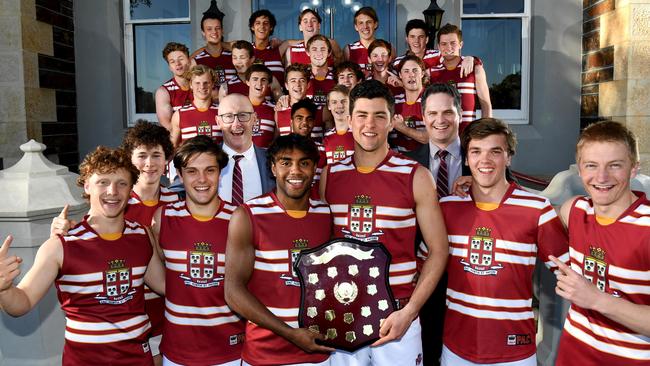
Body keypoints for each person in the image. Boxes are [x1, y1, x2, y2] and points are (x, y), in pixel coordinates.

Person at [320, 80, 449, 364]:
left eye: (380, 116)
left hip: (397, 316)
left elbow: (439, 251)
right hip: (343, 315)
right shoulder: (330, 175)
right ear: (350, 120)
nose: (370, 124)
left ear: (392, 122)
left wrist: (411, 310)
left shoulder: (415, 175)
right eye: (363, 115)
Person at [0, 147, 165, 365]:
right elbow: (22, 302)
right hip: (85, 360)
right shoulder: (61, 244)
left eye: (121, 183)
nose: (113, 191)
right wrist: (4, 289)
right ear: (87, 185)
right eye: (103, 182)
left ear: (130, 188)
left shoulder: (142, 235)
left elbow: (165, 286)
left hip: (138, 358)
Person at [439, 118, 568, 366]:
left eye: (495, 152)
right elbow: (425, 267)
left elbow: (570, 270)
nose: (484, 160)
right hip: (456, 348)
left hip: (514, 351)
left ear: (508, 157)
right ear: (466, 158)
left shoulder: (537, 208)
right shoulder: (447, 208)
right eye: (476, 151)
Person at [50, 121, 177, 366]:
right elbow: (88, 238)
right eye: (142, 156)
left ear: (166, 161)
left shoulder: (178, 204)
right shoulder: (115, 201)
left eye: (156, 156)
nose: (149, 164)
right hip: (120, 317)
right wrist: (62, 229)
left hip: (165, 313)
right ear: (130, 160)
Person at [224, 134, 334, 365]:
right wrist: (290, 333)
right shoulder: (248, 215)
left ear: (314, 168)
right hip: (265, 355)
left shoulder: (326, 215)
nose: (295, 171)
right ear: (273, 168)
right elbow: (233, 292)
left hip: (318, 354)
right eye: (286, 162)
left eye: (304, 163)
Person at [550, 121, 650, 365]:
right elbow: (523, 214)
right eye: (591, 166)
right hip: (572, 355)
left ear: (634, 168)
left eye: (614, 165)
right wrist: (473, 189)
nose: (602, 177)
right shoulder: (574, 210)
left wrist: (596, 299)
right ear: (580, 170)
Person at [150, 135, 245, 365]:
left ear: (220, 173)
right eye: (192, 171)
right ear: (179, 176)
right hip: (177, 353)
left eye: (210, 170)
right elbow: (162, 277)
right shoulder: (164, 218)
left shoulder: (240, 218)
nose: (201, 179)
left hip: (230, 352)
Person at [405, 83, 469, 365]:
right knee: (428, 345)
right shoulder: (406, 165)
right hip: (425, 273)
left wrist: (479, 190)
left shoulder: (484, 159)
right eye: (432, 113)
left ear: (461, 113)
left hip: (470, 273)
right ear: (422, 115)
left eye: (447, 112)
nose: (439, 120)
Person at [429, 24, 491, 131]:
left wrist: (486, 131)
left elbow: (485, 104)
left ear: (461, 44)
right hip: (443, 134)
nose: (448, 48)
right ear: (438, 47)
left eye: (453, 43)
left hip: (468, 134)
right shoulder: (432, 73)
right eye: (444, 44)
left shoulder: (475, 69)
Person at [216, 94, 275, 205]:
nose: (236, 124)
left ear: (254, 119)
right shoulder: (204, 158)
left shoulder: (272, 160)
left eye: (243, 115)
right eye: (228, 116)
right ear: (218, 122)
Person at [391, 19, 473, 78]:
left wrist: (470, 59)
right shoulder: (398, 62)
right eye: (412, 37)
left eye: (421, 37)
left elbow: (454, 59)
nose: (416, 41)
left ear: (426, 39)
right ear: (407, 39)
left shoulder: (438, 55)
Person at [170, 65, 220, 147]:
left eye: (206, 83)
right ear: (191, 85)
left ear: (212, 84)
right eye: (197, 83)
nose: (202, 87)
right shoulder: (179, 115)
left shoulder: (222, 112)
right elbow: (172, 147)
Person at [191, 2, 235, 89]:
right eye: (209, 29)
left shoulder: (234, 56)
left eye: (217, 28)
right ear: (203, 32)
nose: (214, 32)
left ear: (222, 31)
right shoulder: (196, 60)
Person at [275, 64, 325, 140]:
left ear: (308, 85)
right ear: (286, 86)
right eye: (293, 81)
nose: (297, 85)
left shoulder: (322, 111)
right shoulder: (279, 111)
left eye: (302, 81)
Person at [390, 55, 428, 153]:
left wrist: (402, 128)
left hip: (426, 161)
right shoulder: (394, 101)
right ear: (400, 75)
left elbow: (431, 137)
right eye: (406, 71)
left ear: (422, 73)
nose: (411, 75)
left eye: (415, 70)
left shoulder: (431, 99)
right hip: (399, 162)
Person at [155, 42, 193, 131]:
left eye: (181, 59)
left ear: (189, 60)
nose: (177, 64)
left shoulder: (200, 85)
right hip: (181, 142)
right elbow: (167, 126)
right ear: (169, 67)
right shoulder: (163, 92)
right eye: (172, 61)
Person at [249, 9, 285, 84]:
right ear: (252, 27)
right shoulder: (247, 50)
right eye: (258, 23)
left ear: (271, 27)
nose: (262, 26)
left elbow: (303, 42)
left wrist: (282, 42)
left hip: (279, 95)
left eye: (265, 23)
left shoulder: (279, 50)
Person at [245, 64, 277, 148]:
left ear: (269, 84)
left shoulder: (275, 109)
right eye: (255, 79)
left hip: (264, 158)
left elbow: (276, 139)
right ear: (247, 82)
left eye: (263, 80)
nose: (259, 83)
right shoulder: (237, 106)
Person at [322, 85, 354, 165]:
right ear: (329, 106)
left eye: (344, 101)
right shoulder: (326, 137)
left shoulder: (360, 134)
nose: (339, 106)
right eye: (334, 102)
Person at [344, 7, 380, 75]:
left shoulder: (387, 48)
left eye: (369, 22)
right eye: (361, 23)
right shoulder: (349, 49)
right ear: (356, 27)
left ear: (375, 24)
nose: (365, 26)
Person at [305, 34, 336, 107]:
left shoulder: (338, 78)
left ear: (329, 53)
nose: (319, 53)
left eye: (323, 49)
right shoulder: (302, 78)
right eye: (314, 49)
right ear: (307, 52)